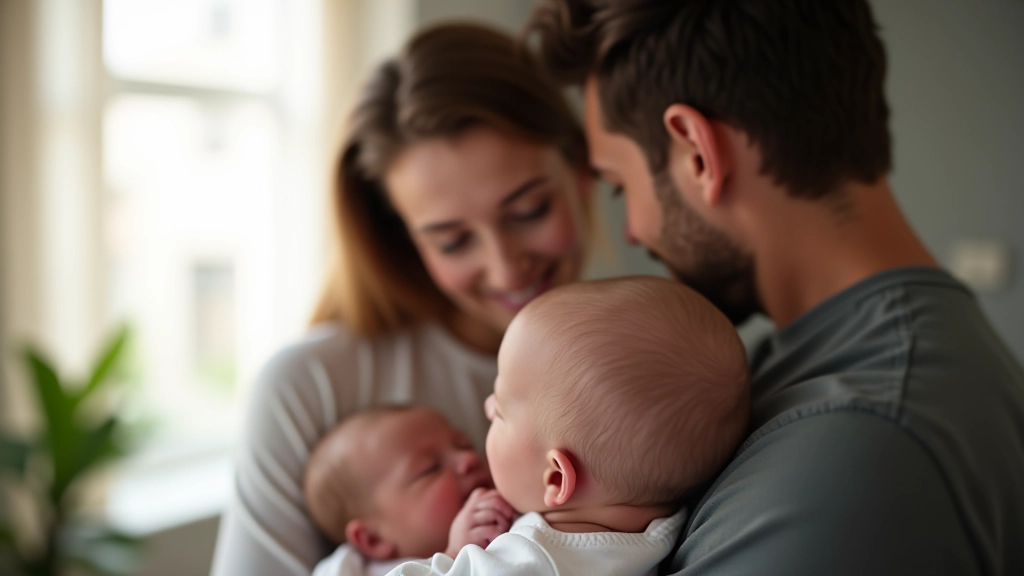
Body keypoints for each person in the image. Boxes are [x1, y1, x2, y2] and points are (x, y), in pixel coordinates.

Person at [525, 1, 1024, 575]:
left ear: (696, 152)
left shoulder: (848, 457)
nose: (633, 231)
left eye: (619, 185)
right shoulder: (853, 364)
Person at [210, 22, 593, 576]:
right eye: (453, 240)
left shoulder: (658, 349)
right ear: (403, 238)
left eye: (530, 210)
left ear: (582, 171)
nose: (506, 266)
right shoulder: (311, 389)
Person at [389, 277, 749, 575]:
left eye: (500, 411)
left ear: (557, 478)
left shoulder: (532, 560)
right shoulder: (660, 524)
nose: (486, 408)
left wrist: (454, 554)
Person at [305, 407, 514, 576]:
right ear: (373, 539)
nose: (469, 458)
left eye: (464, 445)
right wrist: (452, 557)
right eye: (431, 468)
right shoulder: (349, 569)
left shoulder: (516, 510)